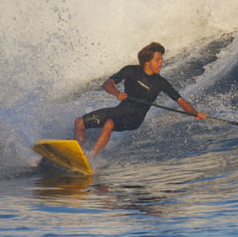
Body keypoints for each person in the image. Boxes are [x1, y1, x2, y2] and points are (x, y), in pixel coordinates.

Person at [74, 42, 206, 156]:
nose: (161, 63)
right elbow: (107, 84)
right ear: (148, 61)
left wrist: (195, 113)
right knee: (79, 122)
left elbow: (181, 101)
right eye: (158, 59)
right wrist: (117, 93)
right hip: (119, 111)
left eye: (161, 59)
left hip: (135, 118)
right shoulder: (130, 70)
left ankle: (91, 158)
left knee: (109, 123)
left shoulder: (161, 83)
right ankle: (77, 153)